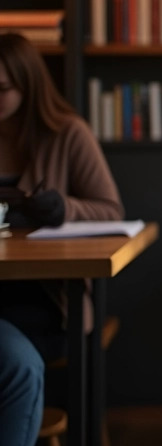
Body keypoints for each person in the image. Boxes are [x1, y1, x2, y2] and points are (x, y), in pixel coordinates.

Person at [0, 32, 123, 359]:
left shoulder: (68, 134)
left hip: (47, 296)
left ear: (29, 85)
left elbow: (111, 210)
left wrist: (63, 208)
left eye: (2, 89)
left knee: (11, 349)